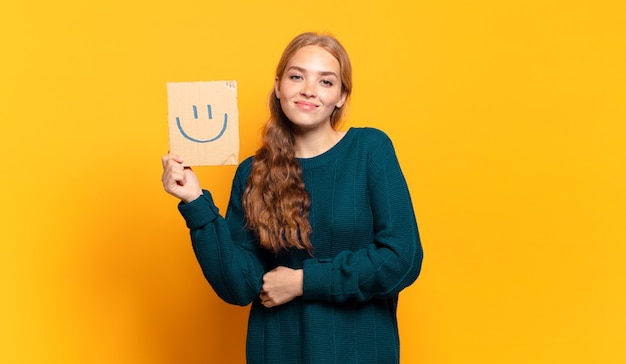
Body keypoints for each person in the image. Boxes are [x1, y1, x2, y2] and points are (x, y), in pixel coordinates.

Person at [161, 32, 423, 364]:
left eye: (326, 82)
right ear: (278, 86)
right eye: (297, 76)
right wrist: (195, 202)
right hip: (278, 352)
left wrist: (302, 281)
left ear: (341, 96)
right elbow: (238, 286)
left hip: (360, 352)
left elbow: (401, 259)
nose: (309, 89)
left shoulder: (370, 151)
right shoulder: (252, 172)